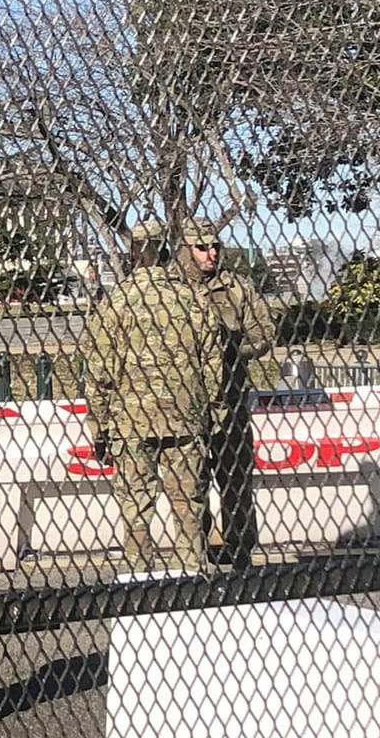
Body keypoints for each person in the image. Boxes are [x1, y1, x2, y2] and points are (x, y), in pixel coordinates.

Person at [81, 221, 220, 574]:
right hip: (185, 417)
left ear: (132, 252)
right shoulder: (192, 299)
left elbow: (99, 372)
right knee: (188, 504)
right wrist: (212, 414)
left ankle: (139, 579)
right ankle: (192, 575)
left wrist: (98, 426)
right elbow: (212, 365)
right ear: (166, 250)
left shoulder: (115, 303)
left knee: (135, 508)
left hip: (131, 421)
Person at [179, 218, 275, 568]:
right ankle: (196, 553)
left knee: (236, 479)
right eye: (202, 247)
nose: (211, 253)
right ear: (185, 249)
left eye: (215, 246)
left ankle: (240, 552)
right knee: (191, 483)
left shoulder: (236, 288)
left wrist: (230, 349)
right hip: (187, 402)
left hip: (230, 398)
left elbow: (264, 331)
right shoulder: (170, 289)